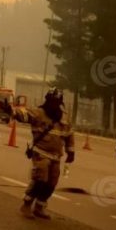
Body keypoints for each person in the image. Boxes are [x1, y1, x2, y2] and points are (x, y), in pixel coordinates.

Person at [14, 88, 74, 220]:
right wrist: (11, 110)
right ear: (47, 100)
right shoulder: (39, 112)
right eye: (52, 101)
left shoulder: (64, 116)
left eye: (57, 102)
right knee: (40, 179)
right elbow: (24, 115)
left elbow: (69, 134)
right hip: (41, 152)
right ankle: (27, 205)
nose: (54, 104)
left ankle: (40, 206)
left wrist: (71, 151)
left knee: (52, 182)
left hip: (56, 155)